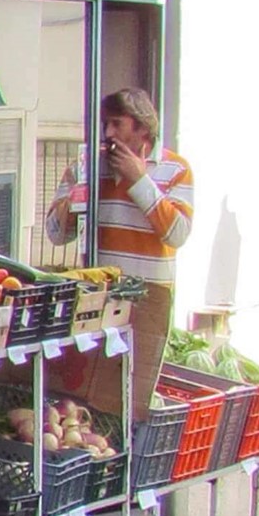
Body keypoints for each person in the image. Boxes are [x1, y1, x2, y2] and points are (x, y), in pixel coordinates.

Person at [44, 87, 192, 411]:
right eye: (105, 125)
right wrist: (77, 197)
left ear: (142, 127)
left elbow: (178, 234)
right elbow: (55, 234)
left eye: (117, 124)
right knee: (90, 398)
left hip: (147, 297)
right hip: (98, 295)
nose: (108, 134)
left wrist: (140, 181)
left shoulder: (176, 170)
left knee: (132, 398)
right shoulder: (87, 167)